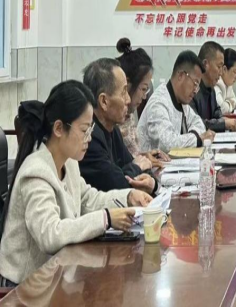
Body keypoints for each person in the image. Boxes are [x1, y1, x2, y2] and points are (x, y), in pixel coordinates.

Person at [0, 80, 151, 286]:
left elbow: (88, 199)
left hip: (54, 279)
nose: (89, 138)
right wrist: (106, 218)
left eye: (90, 130)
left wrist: (128, 196)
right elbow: (50, 234)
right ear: (59, 128)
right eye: (84, 130)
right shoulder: (35, 172)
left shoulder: (69, 162)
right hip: (23, 288)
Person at [79, 58, 158, 195]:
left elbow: (138, 165)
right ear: (104, 101)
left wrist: (149, 179)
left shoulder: (112, 128)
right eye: (123, 92)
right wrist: (135, 167)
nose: (128, 99)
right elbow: (117, 184)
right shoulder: (89, 136)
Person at [137, 50, 215, 152]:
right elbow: (167, 143)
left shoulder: (182, 102)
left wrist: (194, 136)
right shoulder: (158, 103)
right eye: (195, 83)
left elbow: (199, 123)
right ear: (181, 75)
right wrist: (197, 139)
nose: (196, 91)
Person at [115, 38, 168, 166]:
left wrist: (146, 156)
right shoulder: (115, 119)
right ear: (127, 84)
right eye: (143, 89)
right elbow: (120, 168)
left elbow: (131, 158)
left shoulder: (129, 115)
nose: (144, 97)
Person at [190, 42, 236, 132]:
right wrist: (223, 124)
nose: (221, 72)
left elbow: (216, 113)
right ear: (205, 64)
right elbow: (195, 123)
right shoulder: (190, 89)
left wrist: (223, 119)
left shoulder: (211, 88)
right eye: (219, 67)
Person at [215, 48, 236, 114]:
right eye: (235, 72)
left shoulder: (228, 84)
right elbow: (222, 109)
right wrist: (230, 104)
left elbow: (234, 102)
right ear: (224, 69)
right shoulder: (216, 83)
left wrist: (227, 104)